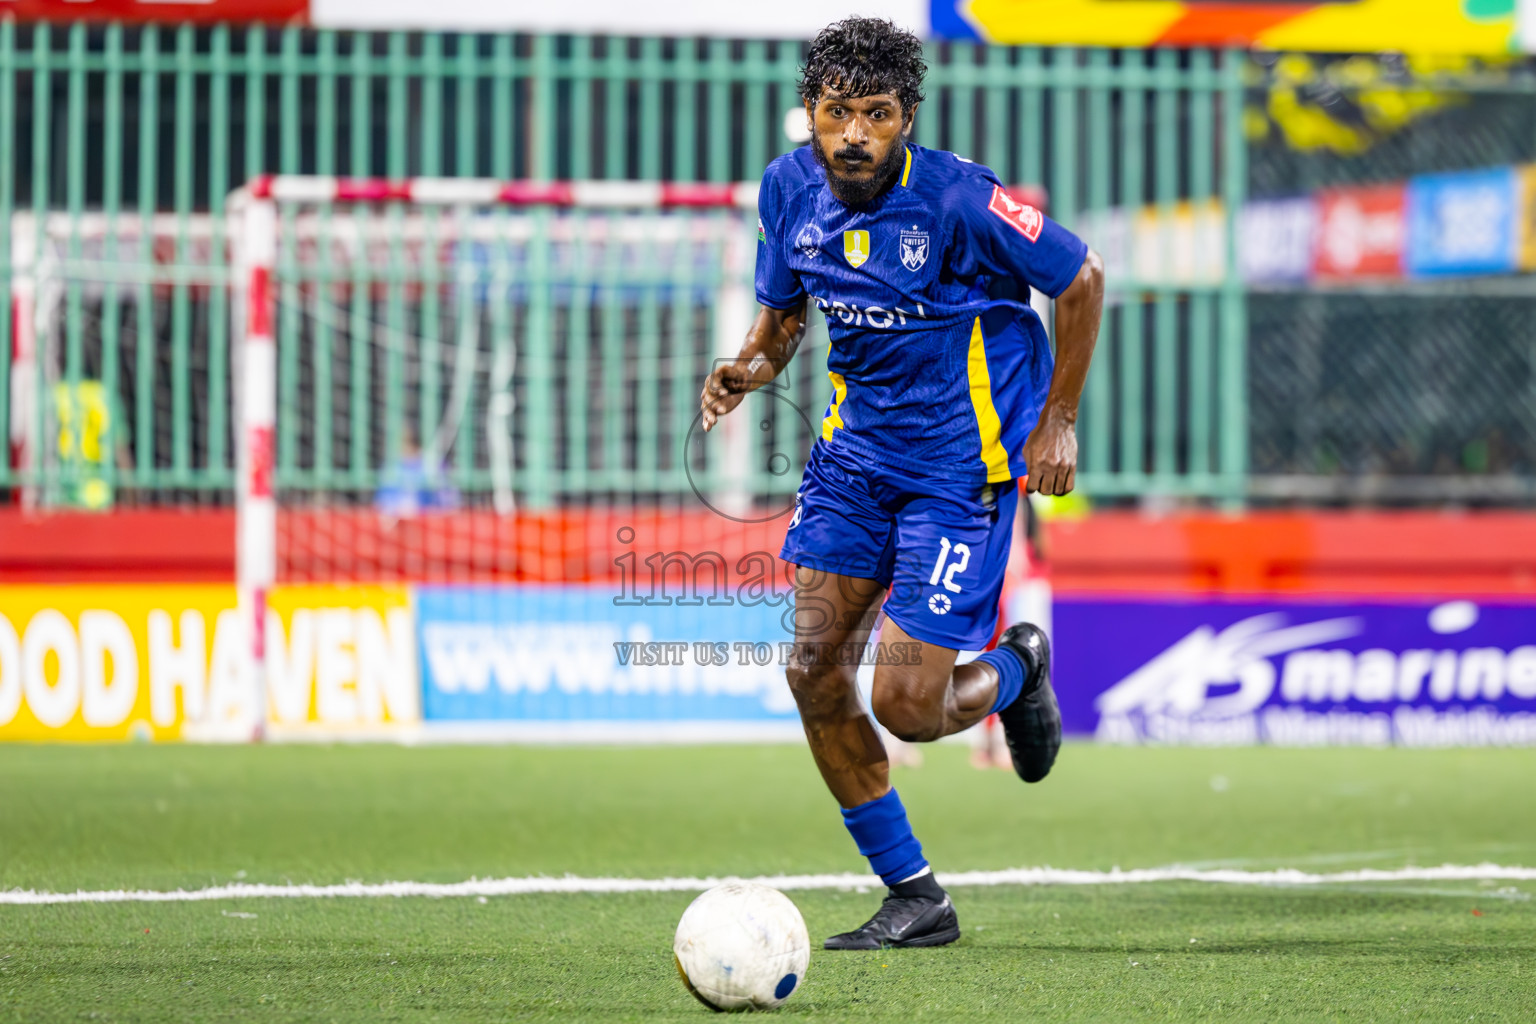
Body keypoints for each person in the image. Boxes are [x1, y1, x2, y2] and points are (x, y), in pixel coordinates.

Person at [699, 17, 1104, 950]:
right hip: (854, 461)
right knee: (810, 668)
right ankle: (916, 896)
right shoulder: (788, 187)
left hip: (960, 472)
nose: (852, 135)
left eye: (874, 114)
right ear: (810, 112)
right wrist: (749, 367)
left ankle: (1019, 667)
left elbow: (1079, 277)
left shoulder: (962, 203)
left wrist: (1060, 419)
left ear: (906, 116)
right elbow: (785, 318)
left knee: (909, 706)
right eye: (835, 112)